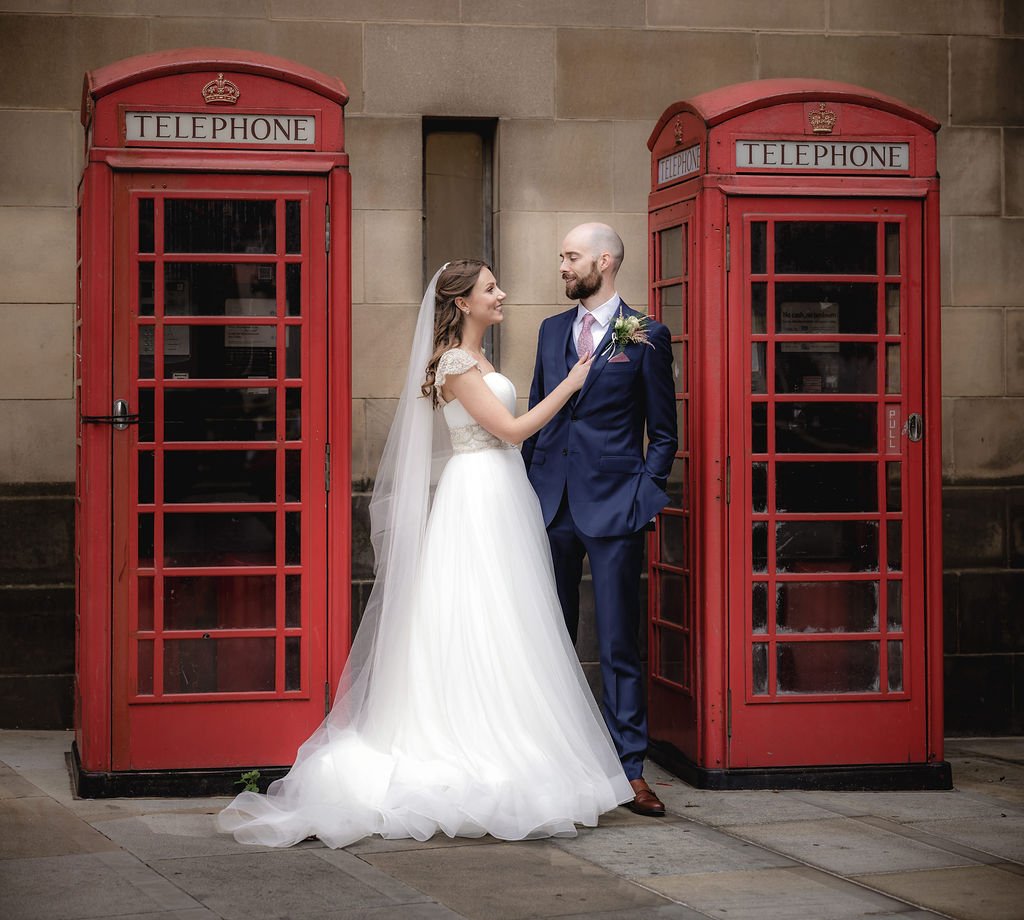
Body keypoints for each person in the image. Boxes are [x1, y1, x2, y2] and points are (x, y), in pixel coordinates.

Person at [218, 260, 634, 849]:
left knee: (508, 621)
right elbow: (511, 431)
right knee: (477, 617)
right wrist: (571, 384)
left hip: (501, 494)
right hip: (478, 496)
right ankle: (473, 741)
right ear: (462, 302)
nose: (503, 294)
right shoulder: (456, 364)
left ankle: (514, 740)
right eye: (491, 288)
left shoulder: (480, 359)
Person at [522, 223, 678, 817]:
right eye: (561, 254)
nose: (562, 266)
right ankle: (549, 762)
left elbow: (663, 433)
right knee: (549, 638)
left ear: (605, 262)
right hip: (551, 503)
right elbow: (539, 412)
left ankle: (630, 769)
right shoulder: (550, 330)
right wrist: (523, 491)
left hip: (615, 505)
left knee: (618, 643)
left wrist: (644, 493)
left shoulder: (646, 335)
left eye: (571, 256)